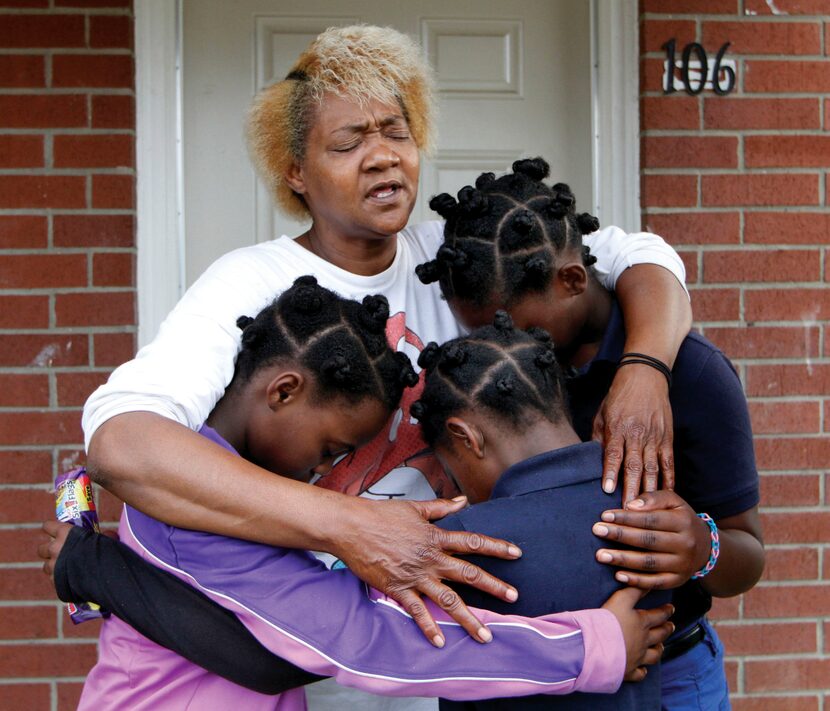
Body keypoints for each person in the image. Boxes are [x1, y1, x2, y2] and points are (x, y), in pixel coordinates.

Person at [76, 24, 691, 710]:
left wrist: (646, 367)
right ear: (295, 171)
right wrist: (349, 525)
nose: (381, 157)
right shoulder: (250, 283)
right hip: (321, 663)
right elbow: (122, 442)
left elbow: (640, 256)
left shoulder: (450, 259)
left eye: (396, 132)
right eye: (348, 143)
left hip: (466, 661)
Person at [60, 278, 674, 711]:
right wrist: (590, 648)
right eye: (331, 448)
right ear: (283, 391)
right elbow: (366, 641)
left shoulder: (205, 475)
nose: (327, 470)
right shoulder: (191, 501)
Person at [415, 158, 765, 710]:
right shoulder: (494, 378)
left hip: (670, 671)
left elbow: (749, 555)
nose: (502, 344)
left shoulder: (692, 374)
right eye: (479, 330)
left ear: (574, 280)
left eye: (518, 325)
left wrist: (702, 547)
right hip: (532, 669)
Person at [408, 314, 673, 711]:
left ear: (466, 437)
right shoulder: (654, 512)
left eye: (450, 469)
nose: (456, 487)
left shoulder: (463, 538)